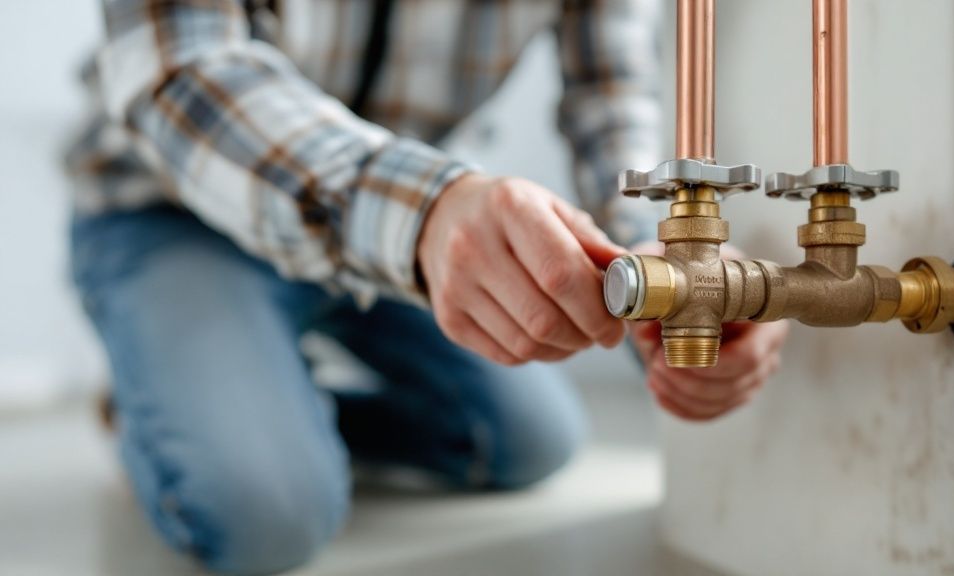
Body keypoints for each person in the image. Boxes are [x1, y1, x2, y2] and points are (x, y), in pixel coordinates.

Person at [65, 0, 789, 574]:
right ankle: (166, 414)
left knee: (534, 440)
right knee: (264, 515)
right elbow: (182, 64)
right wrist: (429, 211)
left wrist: (655, 259)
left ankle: (250, 404)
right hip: (175, 209)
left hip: (399, 233)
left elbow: (613, 97)